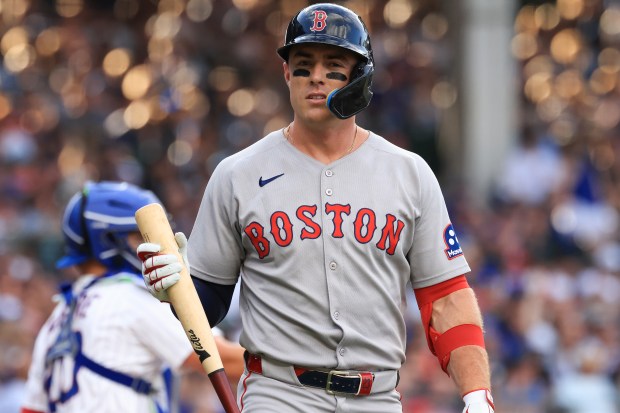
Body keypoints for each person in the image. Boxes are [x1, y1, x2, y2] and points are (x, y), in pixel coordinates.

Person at [138, 4, 494, 412]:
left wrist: (476, 392)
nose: (317, 77)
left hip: (376, 398)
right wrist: (178, 289)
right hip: (279, 392)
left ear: (360, 76)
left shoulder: (409, 173)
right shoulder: (237, 174)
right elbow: (210, 304)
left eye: (333, 65)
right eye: (303, 65)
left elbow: (446, 296)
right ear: (287, 74)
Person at [20, 181, 244, 413]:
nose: (151, 246)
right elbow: (227, 361)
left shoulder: (55, 320)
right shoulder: (129, 298)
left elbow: (31, 409)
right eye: (138, 237)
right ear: (107, 242)